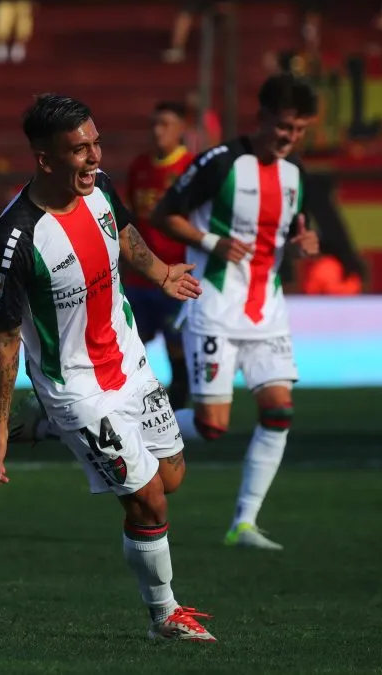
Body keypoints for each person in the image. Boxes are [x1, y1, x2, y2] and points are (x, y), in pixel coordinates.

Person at [0, 94, 215, 641]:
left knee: (172, 477)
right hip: (76, 386)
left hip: (129, 360)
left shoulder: (101, 186)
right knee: (149, 501)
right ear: (44, 160)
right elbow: (4, 339)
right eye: (78, 149)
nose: (92, 157)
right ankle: (165, 615)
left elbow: (125, 235)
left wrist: (160, 274)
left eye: (95, 143)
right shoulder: (14, 240)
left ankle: (43, 428)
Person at [149, 72, 320, 551]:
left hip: (268, 311)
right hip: (217, 310)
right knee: (211, 427)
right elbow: (165, 212)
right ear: (263, 117)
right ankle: (130, 425)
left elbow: (296, 230)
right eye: (285, 126)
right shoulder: (221, 162)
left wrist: (304, 243)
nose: (291, 137)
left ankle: (244, 523)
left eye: (300, 130)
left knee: (279, 411)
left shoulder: (296, 174)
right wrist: (210, 241)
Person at [124, 101, 195, 409]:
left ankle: (179, 404)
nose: (157, 130)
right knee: (129, 341)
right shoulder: (139, 167)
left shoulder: (191, 168)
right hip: (140, 275)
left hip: (177, 272)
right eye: (154, 123)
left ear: (182, 129)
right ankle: (130, 400)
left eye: (165, 124)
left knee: (175, 343)